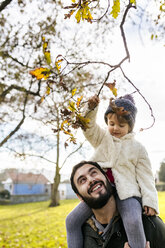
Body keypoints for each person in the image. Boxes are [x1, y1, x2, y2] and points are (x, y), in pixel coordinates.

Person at [66, 94, 159, 248]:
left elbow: (146, 176)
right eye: (111, 123)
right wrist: (91, 108)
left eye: (121, 126)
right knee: (71, 220)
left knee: (133, 220)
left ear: (130, 127)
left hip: (127, 194)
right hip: (101, 191)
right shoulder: (103, 138)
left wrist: (150, 201)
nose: (115, 128)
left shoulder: (138, 149)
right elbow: (88, 128)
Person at [70, 161, 165, 248]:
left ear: (107, 178)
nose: (90, 179)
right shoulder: (81, 233)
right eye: (82, 180)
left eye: (94, 172)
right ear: (79, 197)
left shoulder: (149, 225)